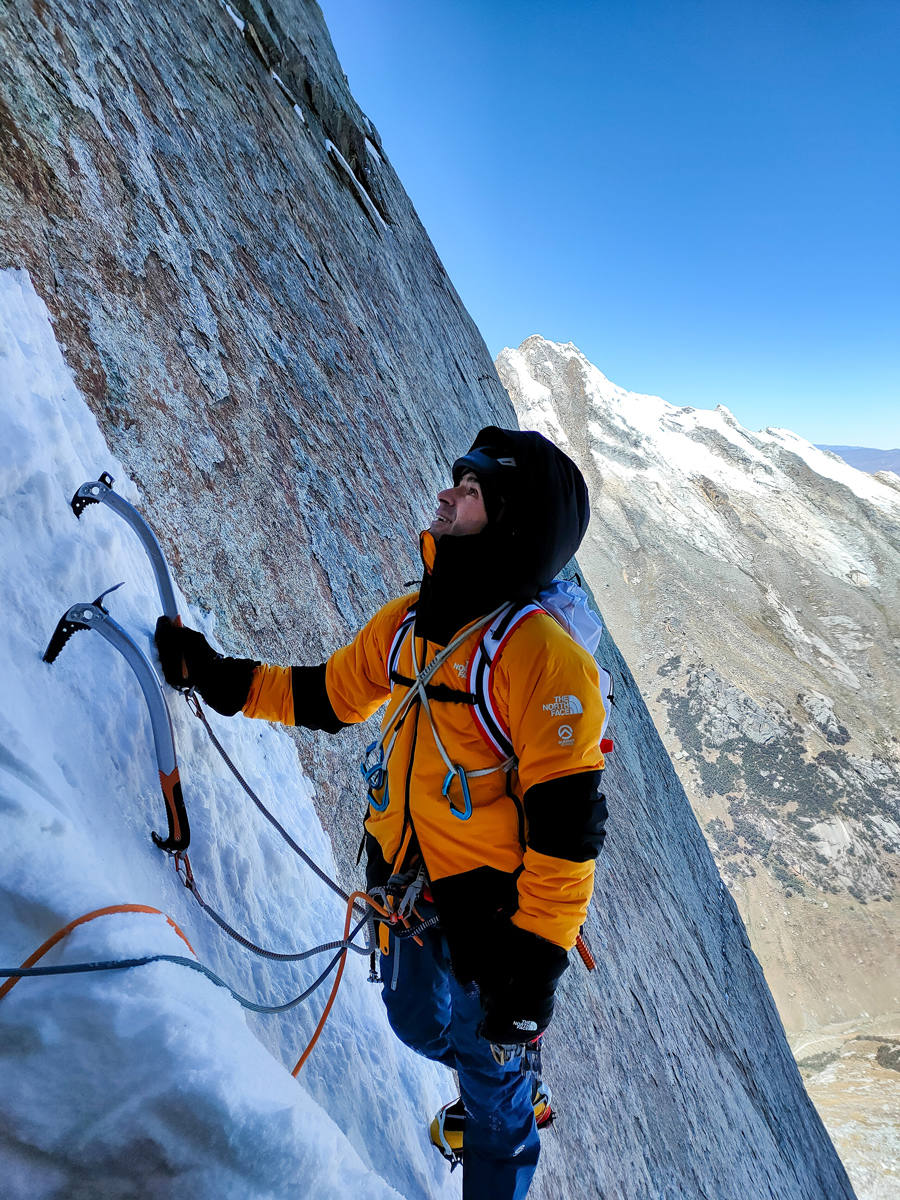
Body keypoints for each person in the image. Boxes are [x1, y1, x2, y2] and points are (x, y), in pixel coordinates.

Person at [155, 426, 609, 1200]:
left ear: (507, 521)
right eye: (455, 484)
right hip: (407, 891)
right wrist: (216, 674)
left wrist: (528, 988)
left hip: (494, 929)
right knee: (414, 1026)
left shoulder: (546, 664)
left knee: (491, 1089)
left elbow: (568, 842)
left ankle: (503, 1106)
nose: (444, 496)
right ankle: (499, 1075)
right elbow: (326, 696)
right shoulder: (410, 622)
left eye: (467, 491)